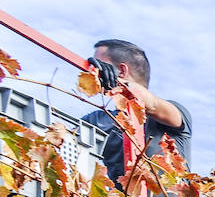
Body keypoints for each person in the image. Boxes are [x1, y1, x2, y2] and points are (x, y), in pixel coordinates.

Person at [82, 38, 192, 185]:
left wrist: (117, 83)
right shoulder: (99, 120)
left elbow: (152, 104)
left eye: (99, 67)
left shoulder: (174, 113)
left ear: (121, 71)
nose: (93, 72)